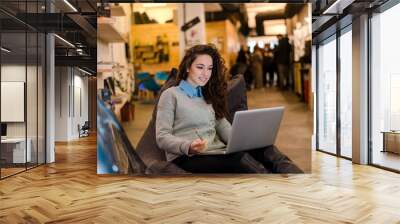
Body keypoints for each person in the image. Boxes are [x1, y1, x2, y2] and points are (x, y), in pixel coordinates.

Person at [155, 44, 302, 173]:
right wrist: (188, 146)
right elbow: (162, 137)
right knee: (239, 159)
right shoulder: (171, 95)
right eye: (200, 67)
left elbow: (221, 124)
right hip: (187, 156)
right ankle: (277, 190)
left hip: (214, 151)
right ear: (187, 67)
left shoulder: (208, 95)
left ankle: (298, 181)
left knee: (266, 149)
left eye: (209, 68)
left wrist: (245, 141)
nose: (205, 73)